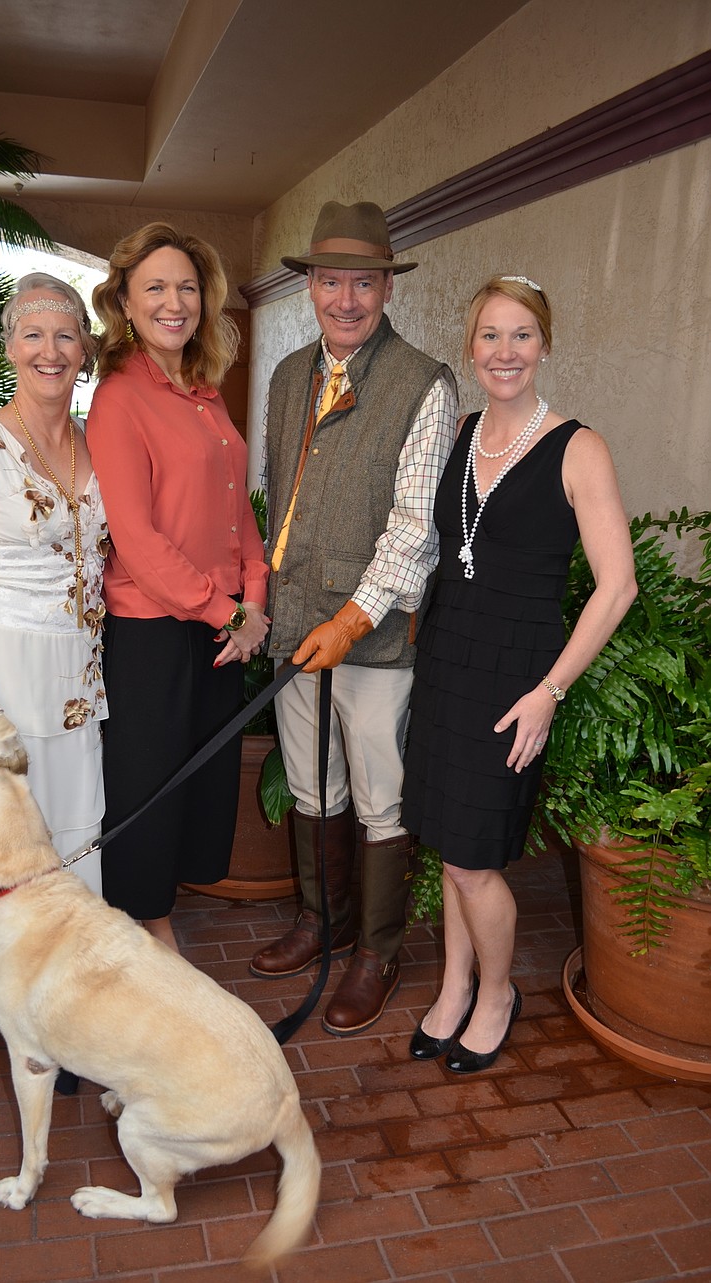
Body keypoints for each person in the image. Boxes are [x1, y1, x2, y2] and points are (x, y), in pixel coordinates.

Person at [402, 274, 637, 1073]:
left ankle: (497, 992)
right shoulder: (466, 429)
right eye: (490, 336)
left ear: (544, 343)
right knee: (448, 841)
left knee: (474, 856)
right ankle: (455, 982)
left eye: (521, 335)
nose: (505, 351)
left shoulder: (579, 447)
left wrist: (550, 690)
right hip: (447, 659)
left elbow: (619, 586)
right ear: (472, 346)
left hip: (516, 678)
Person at [249, 201, 458, 1036]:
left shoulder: (425, 383)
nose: (345, 298)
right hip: (295, 618)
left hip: (373, 638)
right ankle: (319, 919)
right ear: (310, 286)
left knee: (379, 795)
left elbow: (416, 528)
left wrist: (356, 615)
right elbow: (280, 507)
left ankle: (375, 950)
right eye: (330, 281)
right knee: (310, 780)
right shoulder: (289, 373)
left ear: (385, 287)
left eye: (362, 282)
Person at [0, 273, 108, 1027]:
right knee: (8, 846)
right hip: (2, 677)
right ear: (9, 348)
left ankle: (63, 994)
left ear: (84, 352)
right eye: (33, 334)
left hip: (78, 678)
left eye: (65, 334)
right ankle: (11, 1000)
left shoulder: (97, 441)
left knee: (70, 834)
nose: (50, 349)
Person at [87, 222, 269, 954]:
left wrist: (253, 598)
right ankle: (150, 931)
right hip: (153, 630)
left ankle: (158, 921)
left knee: (199, 784)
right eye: (155, 287)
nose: (174, 301)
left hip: (220, 626)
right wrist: (225, 607)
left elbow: (236, 508)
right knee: (148, 790)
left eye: (187, 287)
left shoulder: (204, 390)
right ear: (125, 303)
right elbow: (135, 541)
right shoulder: (120, 399)